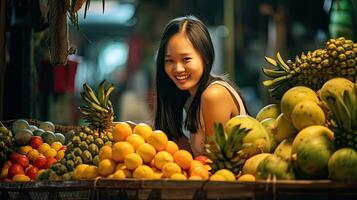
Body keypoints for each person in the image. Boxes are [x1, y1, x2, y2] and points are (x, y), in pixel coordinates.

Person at [154, 15, 248, 156]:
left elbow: (216, 166)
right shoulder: (191, 97)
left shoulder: (213, 95)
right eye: (169, 60)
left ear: (206, 57)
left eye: (186, 59)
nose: (178, 69)